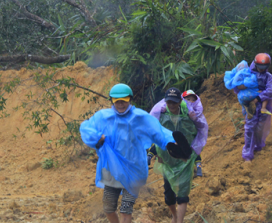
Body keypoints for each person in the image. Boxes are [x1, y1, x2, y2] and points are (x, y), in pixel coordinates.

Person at [80, 84, 191, 223]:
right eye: (117, 101)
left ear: (130, 100)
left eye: (124, 101)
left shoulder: (139, 117)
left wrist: (172, 142)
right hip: (111, 171)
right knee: (108, 208)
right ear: (112, 101)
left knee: (126, 209)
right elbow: (85, 127)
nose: (121, 104)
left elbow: (157, 131)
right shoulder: (103, 117)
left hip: (134, 172)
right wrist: (97, 138)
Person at [149, 87, 207, 223]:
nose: (171, 105)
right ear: (166, 102)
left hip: (185, 160)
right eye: (169, 102)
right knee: (169, 197)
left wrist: (194, 152)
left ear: (180, 101)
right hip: (168, 160)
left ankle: (179, 221)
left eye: (174, 102)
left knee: (183, 194)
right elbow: (156, 135)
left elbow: (197, 132)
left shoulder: (188, 116)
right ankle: (174, 215)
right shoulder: (161, 116)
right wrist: (157, 154)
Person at [235, 53, 272, 161]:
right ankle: (247, 154)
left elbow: (271, 89)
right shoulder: (247, 73)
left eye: (265, 68)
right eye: (260, 67)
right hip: (250, 105)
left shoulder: (269, 77)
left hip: (264, 104)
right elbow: (237, 86)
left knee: (260, 127)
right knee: (249, 128)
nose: (262, 70)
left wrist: (259, 97)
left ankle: (259, 145)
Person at [182, 90, 206, 177]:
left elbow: (201, 124)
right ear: (183, 99)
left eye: (193, 100)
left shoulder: (197, 111)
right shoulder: (180, 109)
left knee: (195, 151)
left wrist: (194, 118)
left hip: (192, 134)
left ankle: (198, 168)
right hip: (182, 135)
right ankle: (188, 171)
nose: (191, 102)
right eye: (188, 99)